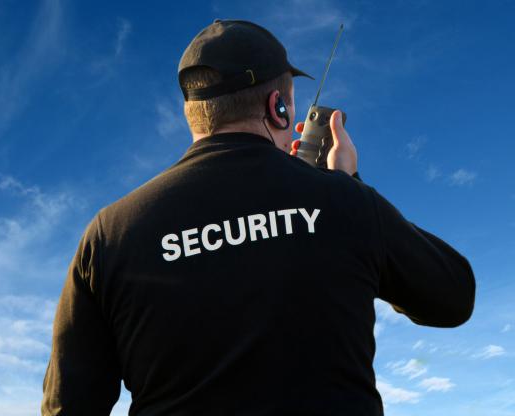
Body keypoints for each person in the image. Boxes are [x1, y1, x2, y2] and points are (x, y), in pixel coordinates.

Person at [41, 19, 476, 416]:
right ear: (279, 108)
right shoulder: (346, 201)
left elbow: (67, 408)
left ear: (193, 113)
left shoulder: (110, 233)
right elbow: (454, 297)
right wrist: (349, 183)